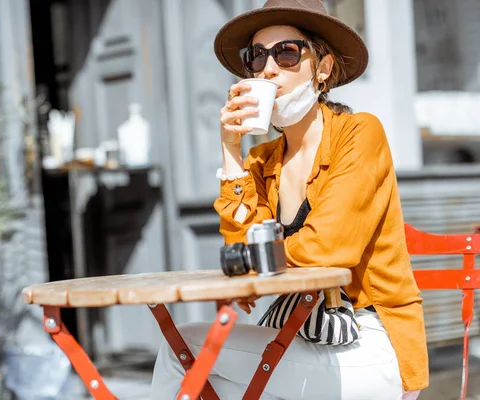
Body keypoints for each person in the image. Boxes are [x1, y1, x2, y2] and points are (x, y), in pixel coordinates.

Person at [149, 0, 429, 399]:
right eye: (256, 56)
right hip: (296, 334)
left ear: (323, 69)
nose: (269, 68)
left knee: (186, 349)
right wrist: (230, 150)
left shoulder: (360, 134)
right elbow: (241, 250)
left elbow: (328, 247)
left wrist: (255, 264)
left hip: (372, 342)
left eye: (287, 52)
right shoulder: (261, 161)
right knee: (207, 379)